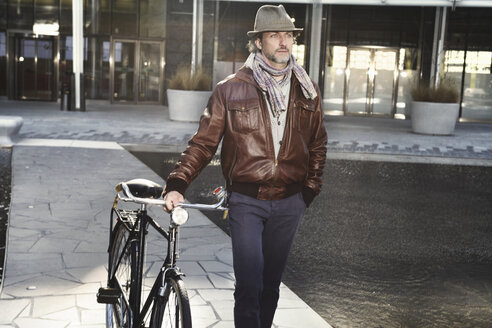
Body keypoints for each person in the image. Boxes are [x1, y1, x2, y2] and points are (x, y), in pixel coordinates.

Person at [162, 4, 327, 328]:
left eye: (288, 35)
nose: (283, 41)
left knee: (270, 287)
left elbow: (318, 143)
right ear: (259, 42)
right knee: (249, 286)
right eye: (274, 35)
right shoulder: (230, 89)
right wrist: (179, 182)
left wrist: (308, 191)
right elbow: (204, 142)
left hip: (289, 202)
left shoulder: (306, 89)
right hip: (247, 202)